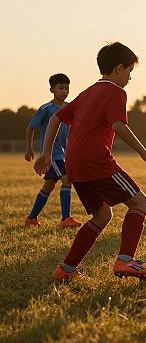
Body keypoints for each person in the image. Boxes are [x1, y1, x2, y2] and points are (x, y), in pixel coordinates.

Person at [34, 42, 146, 282]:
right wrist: (143, 152)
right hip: (96, 161)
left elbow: (54, 120)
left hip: (74, 164)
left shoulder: (88, 92)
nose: (129, 79)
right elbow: (119, 125)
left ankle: (66, 270)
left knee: (102, 216)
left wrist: (46, 153)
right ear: (119, 68)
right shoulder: (115, 91)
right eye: (129, 73)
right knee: (140, 202)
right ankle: (126, 261)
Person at [24, 73, 80, 228]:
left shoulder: (70, 108)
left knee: (48, 186)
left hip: (63, 154)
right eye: (61, 88)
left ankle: (31, 218)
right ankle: (65, 219)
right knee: (67, 179)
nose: (65, 91)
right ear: (52, 90)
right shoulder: (46, 109)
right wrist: (29, 149)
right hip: (51, 155)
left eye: (67, 88)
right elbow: (31, 127)